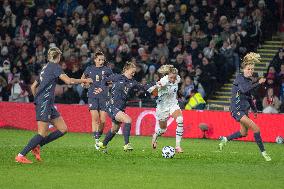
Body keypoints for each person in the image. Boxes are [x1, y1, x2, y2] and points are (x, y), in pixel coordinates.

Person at [15, 47, 92, 164]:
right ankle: (20, 155)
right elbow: (69, 81)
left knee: (63, 129)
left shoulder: (45, 68)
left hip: (47, 103)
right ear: (59, 57)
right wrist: (84, 81)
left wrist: (37, 100)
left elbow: (33, 87)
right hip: (45, 103)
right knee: (42, 133)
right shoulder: (55, 67)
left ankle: (37, 145)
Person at [219, 52, 271, 161]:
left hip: (244, 110)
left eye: (252, 69)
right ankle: (264, 153)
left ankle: (225, 139)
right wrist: (258, 82)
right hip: (236, 109)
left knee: (243, 133)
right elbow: (244, 90)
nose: (250, 71)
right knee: (256, 128)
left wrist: (255, 110)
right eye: (248, 69)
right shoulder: (239, 78)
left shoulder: (248, 81)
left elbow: (248, 96)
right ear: (243, 69)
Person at [97, 62, 150, 152]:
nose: (133, 74)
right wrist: (102, 88)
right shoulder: (117, 77)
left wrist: (155, 86)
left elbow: (143, 87)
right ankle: (126, 144)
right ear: (126, 70)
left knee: (114, 129)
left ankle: (103, 145)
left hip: (120, 108)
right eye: (132, 72)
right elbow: (104, 80)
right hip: (111, 106)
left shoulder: (133, 82)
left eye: (134, 73)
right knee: (128, 120)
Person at [148, 65, 184, 153]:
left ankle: (177, 146)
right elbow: (152, 92)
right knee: (163, 129)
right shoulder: (163, 81)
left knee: (180, 120)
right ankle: (155, 135)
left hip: (173, 104)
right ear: (167, 75)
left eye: (174, 77)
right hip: (162, 107)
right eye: (171, 77)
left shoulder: (177, 78)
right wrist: (157, 88)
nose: (173, 79)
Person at [81, 51, 113, 149]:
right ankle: (96, 141)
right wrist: (84, 84)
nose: (101, 61)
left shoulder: (107, 70)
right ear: (95, 60)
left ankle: (98, 135)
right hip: (92, 96)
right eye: (99, 59)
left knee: (103, 121)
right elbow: (83, 79)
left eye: (103, 60)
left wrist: (108, 85)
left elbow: (112, 82)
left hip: (104, 97)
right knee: (95, 118)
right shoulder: (89, 69)